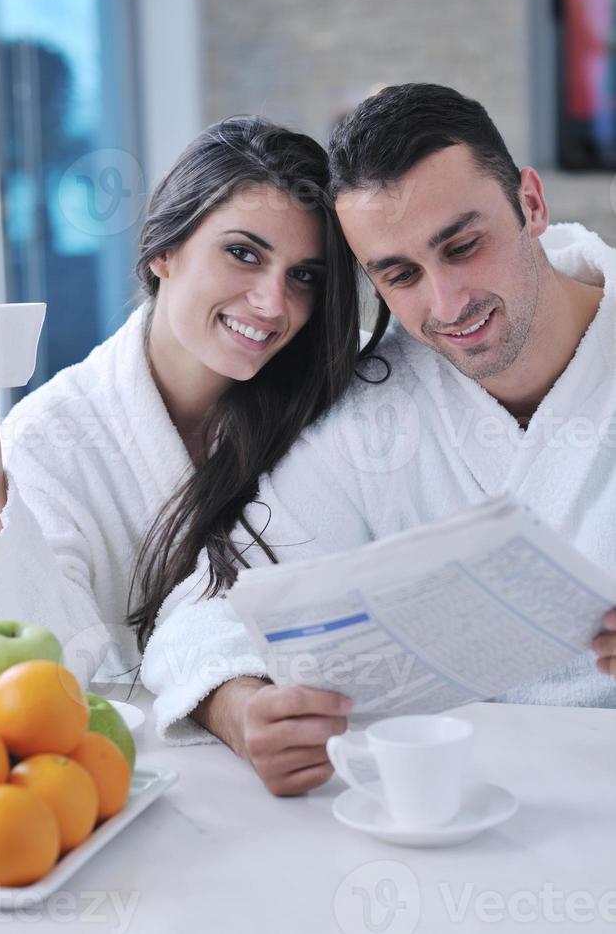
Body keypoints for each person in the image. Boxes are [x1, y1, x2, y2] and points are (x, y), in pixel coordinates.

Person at [141, 84, 616, 796]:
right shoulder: (376, 407)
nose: (447, 304)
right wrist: (239, 708)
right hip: (438, 809)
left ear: (532, 203)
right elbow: (209, 602)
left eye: (463, 245)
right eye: (399, 274)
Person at [0, 117, 361, 731]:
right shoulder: (52, 437)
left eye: (303, 276)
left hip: (314, 743)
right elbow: (37, 672)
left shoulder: (331, 395)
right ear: (164, 250)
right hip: (136, 778)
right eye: (243, 254)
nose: (273, 303)